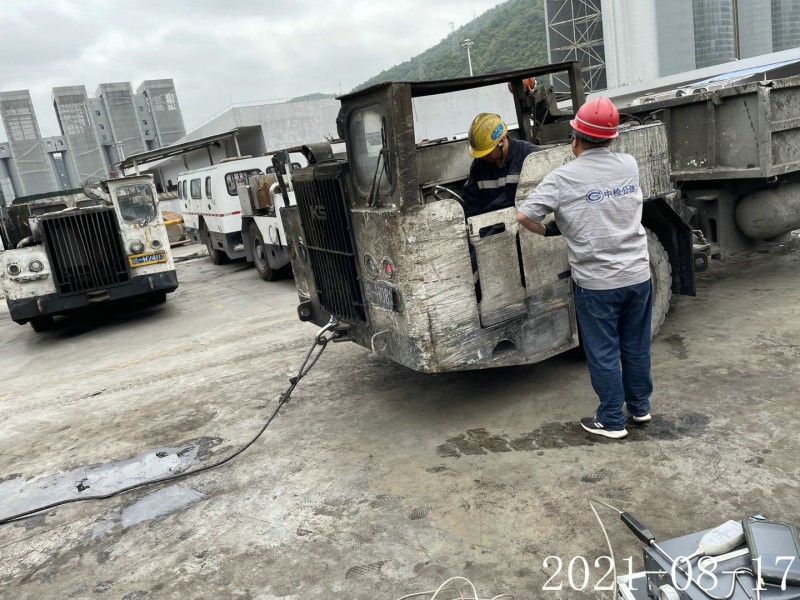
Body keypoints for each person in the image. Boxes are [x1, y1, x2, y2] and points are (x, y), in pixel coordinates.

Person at [515, 97, 652, 440]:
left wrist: (550, 230)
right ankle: (640, 407)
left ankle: (612, 420)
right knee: (635, 346)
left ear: (574, 137)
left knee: (604, 351)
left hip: (597, 283)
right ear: (612, 138)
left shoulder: (562, 178)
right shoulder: (629, 165)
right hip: (639, 275)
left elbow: (524, 215)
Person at [463, 113, 540, 218]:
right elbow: (471, 202)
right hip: (491, 223)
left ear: (501, 142)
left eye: (487, 153)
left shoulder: (530, 156)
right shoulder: (478, 164)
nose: (483, 157)